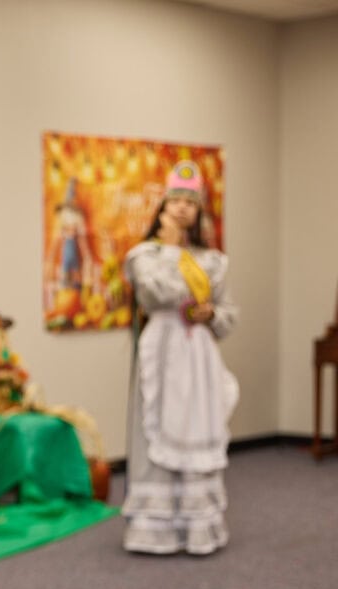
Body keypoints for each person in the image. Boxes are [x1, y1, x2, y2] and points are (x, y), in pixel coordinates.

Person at [121, 160, 238, 555]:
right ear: (163, 206)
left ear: (199, 209)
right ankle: (156, 530)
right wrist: (171, 250)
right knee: (161, 426)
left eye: (191, 201)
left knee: (197, 423)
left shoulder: (211, 260)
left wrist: (213, 315)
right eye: (177, 200)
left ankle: (198, 525)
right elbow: (157, 296)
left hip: (198, 353)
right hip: (164, 349)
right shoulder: (146, 256)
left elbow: (228, 312)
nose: (183, 208)